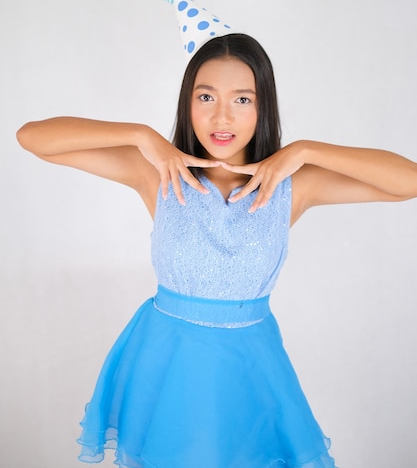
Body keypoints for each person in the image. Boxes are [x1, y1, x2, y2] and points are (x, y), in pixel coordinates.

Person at [16, 33, 417, 468]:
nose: (221, 116)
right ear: (187, 103)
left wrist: (304, 150)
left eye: (242, 100)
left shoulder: (291, 186)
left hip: (250, 367)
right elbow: (32, 137)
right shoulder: (158, 174)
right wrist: (140, 135)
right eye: (205, 96)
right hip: (167, 362)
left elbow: (409, 181)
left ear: (264, 107)